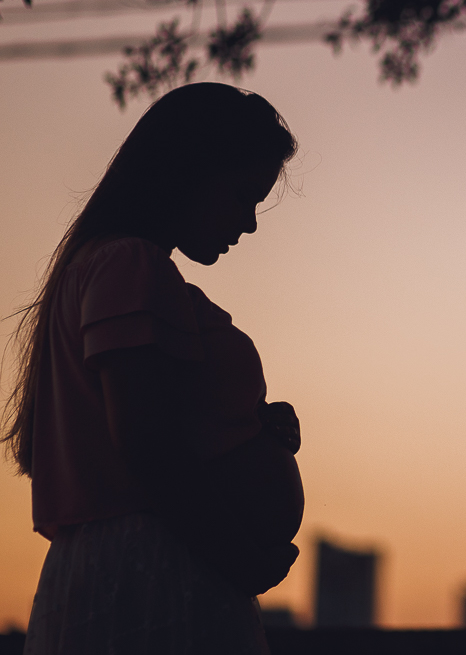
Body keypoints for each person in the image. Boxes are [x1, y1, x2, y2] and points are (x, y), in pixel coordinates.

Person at [2, 83, 306, 654]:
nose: (250, 224)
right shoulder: (129, 266)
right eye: (242, 196)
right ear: (187, 173)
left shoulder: (113, 270)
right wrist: (236, 559)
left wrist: (252, 428)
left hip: (149, 561)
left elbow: (166, 423)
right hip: (156, 573)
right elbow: (146, 445)